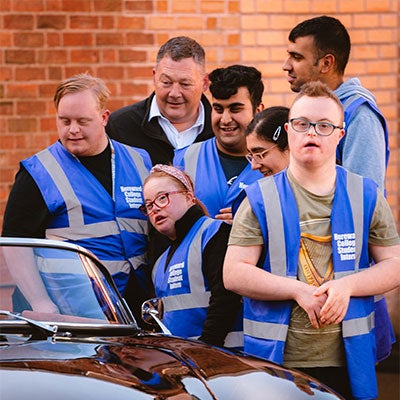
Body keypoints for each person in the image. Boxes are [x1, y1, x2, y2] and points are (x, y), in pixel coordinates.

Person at [223, 81, 400, 399]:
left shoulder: (366, 194)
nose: (312, 133)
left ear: (340, 135)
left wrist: (347, 286)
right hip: (277, 362)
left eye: (324, 126)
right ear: (289, 131)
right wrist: (297, 291)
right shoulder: (260, 197)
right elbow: (234, 272)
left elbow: (395, 264)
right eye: (303, 124)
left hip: (349, 360)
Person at [2, 73, 153, 323]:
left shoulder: (140, 161)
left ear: (104, 118)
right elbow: (16, 243)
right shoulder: (39, 172)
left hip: (134, 308)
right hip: (71, 313)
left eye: (82, 121)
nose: (72, 130)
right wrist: (41, 303)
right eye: (64, 121)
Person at [282, 15, 389, 193]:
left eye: (296, 57)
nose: (286, 65)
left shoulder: (360, 116)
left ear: (326, 63)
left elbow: (362, 200)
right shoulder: (305, 107)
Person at [141, 164, 242, 348]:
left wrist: (208, 348)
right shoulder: (160, 262)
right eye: (148, 205)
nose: (154, 208)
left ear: (189, 197)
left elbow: (226, 299)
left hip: (223, 360)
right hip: (183, 362)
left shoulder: (215, 233)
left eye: (162, 198)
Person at [173, 65, 264, 223]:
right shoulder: (184, 159)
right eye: (218, 109)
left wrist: (253, 224)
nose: (225, 119)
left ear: (258, 111)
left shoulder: (278, 163)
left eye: (235, 109)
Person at [106, 36, 213, 165]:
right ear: (154, 77)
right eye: (166, 82)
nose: (174, 93)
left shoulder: (219, 130)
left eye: (185, 84)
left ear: (205, 83)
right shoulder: (120, 126)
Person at [245, 106, 290, 177]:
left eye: (260, 154)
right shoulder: (262, 187)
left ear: (289, 145)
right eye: (251, 156)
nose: (254, 166)